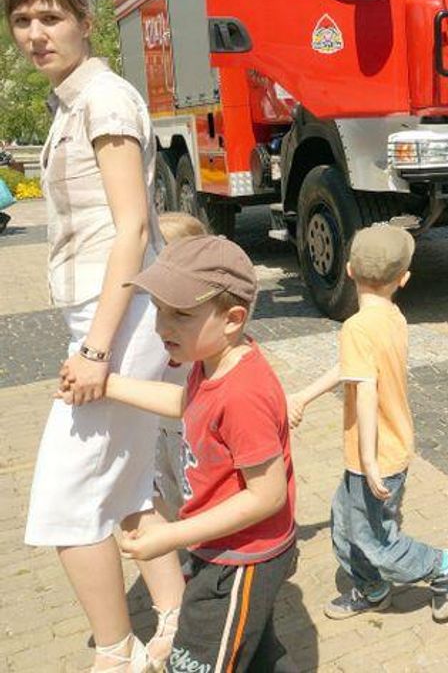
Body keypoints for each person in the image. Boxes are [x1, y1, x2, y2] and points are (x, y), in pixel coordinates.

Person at [10, 0, 185, 671]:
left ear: (84, 20)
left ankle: (118, 653)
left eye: (50, 18)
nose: (35, 34)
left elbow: (132, 227)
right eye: (22, 21)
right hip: (111, 310)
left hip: (117, 316)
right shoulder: (73, 101)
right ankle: (176, 615)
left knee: (64, 499)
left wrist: (94, 351)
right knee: (128, 475)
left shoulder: (104, 102)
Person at [59, 235, 298, 672]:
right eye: (159, 309)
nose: (161, 327)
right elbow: (185, 406)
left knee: (195, 660)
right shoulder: (210, 364)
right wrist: (108, 386)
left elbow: (268, 497)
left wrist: (170, 536)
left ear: (233, 319)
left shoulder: (243, 392)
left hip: (242, 558)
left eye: (181, 315)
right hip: (220, 548)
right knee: (251, 650)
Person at [287, 224, 448, 622]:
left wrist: (368, 461)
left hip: (377, 456)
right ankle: (372, 589)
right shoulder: (392, 316)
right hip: (377, 452)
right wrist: (304, 396)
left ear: (348, 269)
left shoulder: (357, 327)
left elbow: (365, 393)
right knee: (347, 526)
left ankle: (443, 567)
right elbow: (352, 369)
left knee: (377, 542)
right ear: (403, 279)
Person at [152, 212, 207, 522]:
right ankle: (182, 556)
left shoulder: (199, 319)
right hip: (158, 429)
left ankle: (200, 553)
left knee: (193, 497)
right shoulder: (155, 311)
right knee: (167, 494)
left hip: (190, 435)